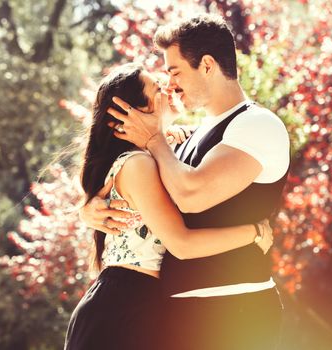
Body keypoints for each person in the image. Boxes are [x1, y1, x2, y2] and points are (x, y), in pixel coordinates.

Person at [89, 13, 291, 350]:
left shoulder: (257, 125)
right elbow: (135, 182)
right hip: (178, 315)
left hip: (235, 312)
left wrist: (155, 140)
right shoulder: (189, 137)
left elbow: (190, 195)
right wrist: (91, 207)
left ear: (208, 65)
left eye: (175, 71)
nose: (170, 85)